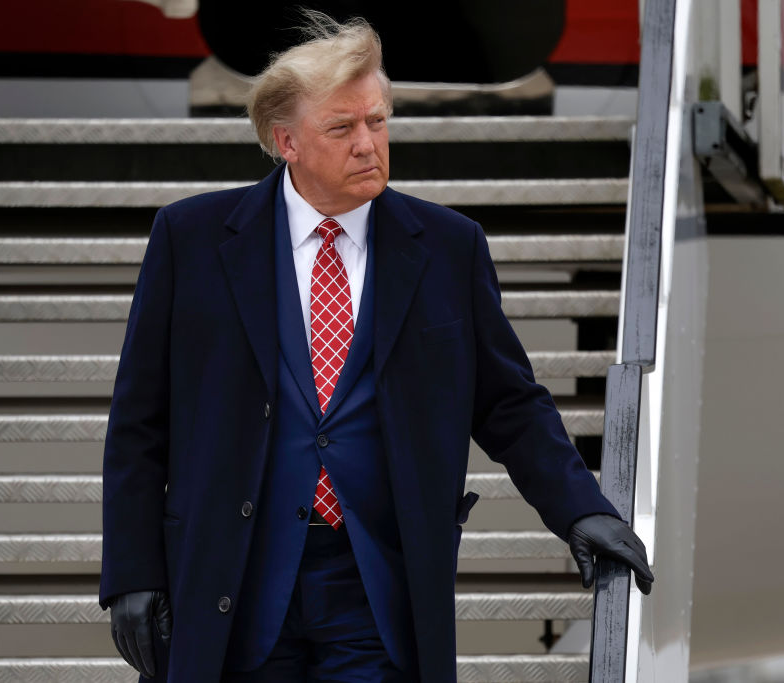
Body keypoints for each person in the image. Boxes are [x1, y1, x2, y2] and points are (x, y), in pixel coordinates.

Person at [100, 13, 653, 683]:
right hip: (233, 576)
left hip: (376, 585)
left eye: (378, 121)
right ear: (286, 142)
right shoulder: (190, 239)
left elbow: (509, 402)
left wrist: (580, 507)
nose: (368, 144)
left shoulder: (448, 248)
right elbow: (138, 423)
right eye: (342, 127)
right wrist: (132, 570)